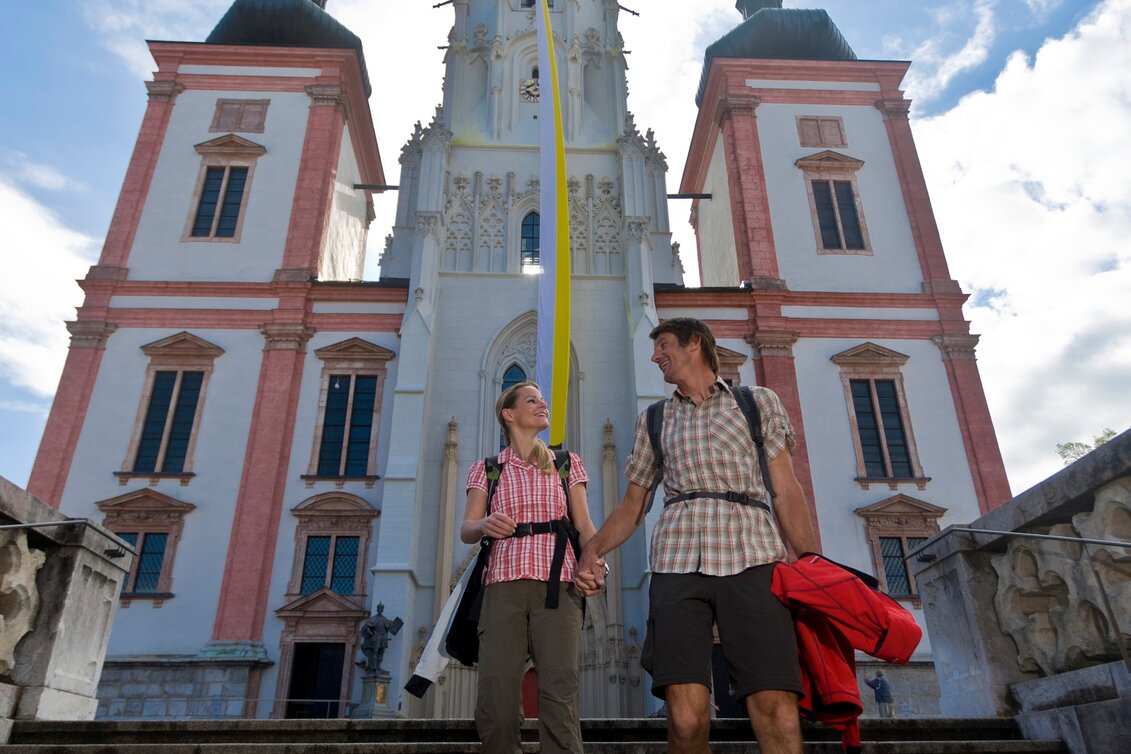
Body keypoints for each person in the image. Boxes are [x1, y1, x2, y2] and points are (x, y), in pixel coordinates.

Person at [576, 317, 819, 754]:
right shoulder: (654, 419)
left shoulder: (757, 403)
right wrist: (592, 550)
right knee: (686, 720)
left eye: (664, 345)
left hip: (754, 556)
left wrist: (812, 561)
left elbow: (785, 489)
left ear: (695, 345)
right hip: (677, 562)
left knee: (776, 711)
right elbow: (633, 506)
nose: (655, 356)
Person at [460, 381, 597, 754]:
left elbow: (584, 525)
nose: (542, 405)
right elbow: (467, 529)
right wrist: (485, 524)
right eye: (531, 400)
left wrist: (595, 561)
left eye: (543, 400)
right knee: (497, 698)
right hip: (502, 585)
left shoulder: (566, 463)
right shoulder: (487, 469)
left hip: (560, 586)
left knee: (560, 696)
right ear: (509, 414)